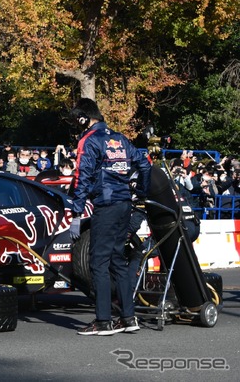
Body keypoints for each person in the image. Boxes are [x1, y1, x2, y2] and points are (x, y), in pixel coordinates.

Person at [68, 98, 151, 336]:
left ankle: (103, 321)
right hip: (125, 204)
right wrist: (140, 193)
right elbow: (144, 166)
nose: (76, 125)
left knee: (99, 263)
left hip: (105, 205)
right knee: (117, 261)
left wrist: (76, 212)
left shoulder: (89, 140)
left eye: (77, 120)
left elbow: (81, 177)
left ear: (84, 118)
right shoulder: (121, 138)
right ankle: (128, 317)